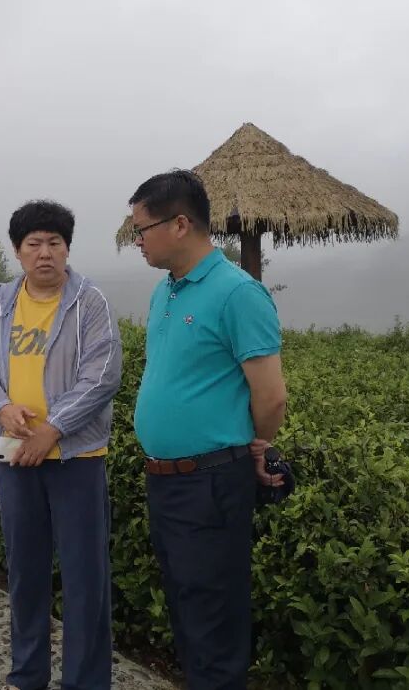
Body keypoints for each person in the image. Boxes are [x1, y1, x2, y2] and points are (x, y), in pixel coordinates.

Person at [127, 170, 287, 689]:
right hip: (166, 479)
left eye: (142, 229)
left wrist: (254, 447)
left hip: (211, 481)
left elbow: (271, 395)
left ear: (179, 224)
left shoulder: (238, 293)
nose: (137, 240)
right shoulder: (165, 292)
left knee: (214, 618)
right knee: (187, 608)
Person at [0, 200, 122, 690]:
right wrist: (1, 409)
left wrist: (53, 428)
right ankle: (27, 674)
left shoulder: (90, 302)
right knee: (25, 571)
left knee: (84, 577)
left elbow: (103, 375)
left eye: (55, 242)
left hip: (76, 457)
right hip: (13, 455)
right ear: (18, 250)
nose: (45, 252)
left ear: (67, 248)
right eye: (34, 243)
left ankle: (85, 681)